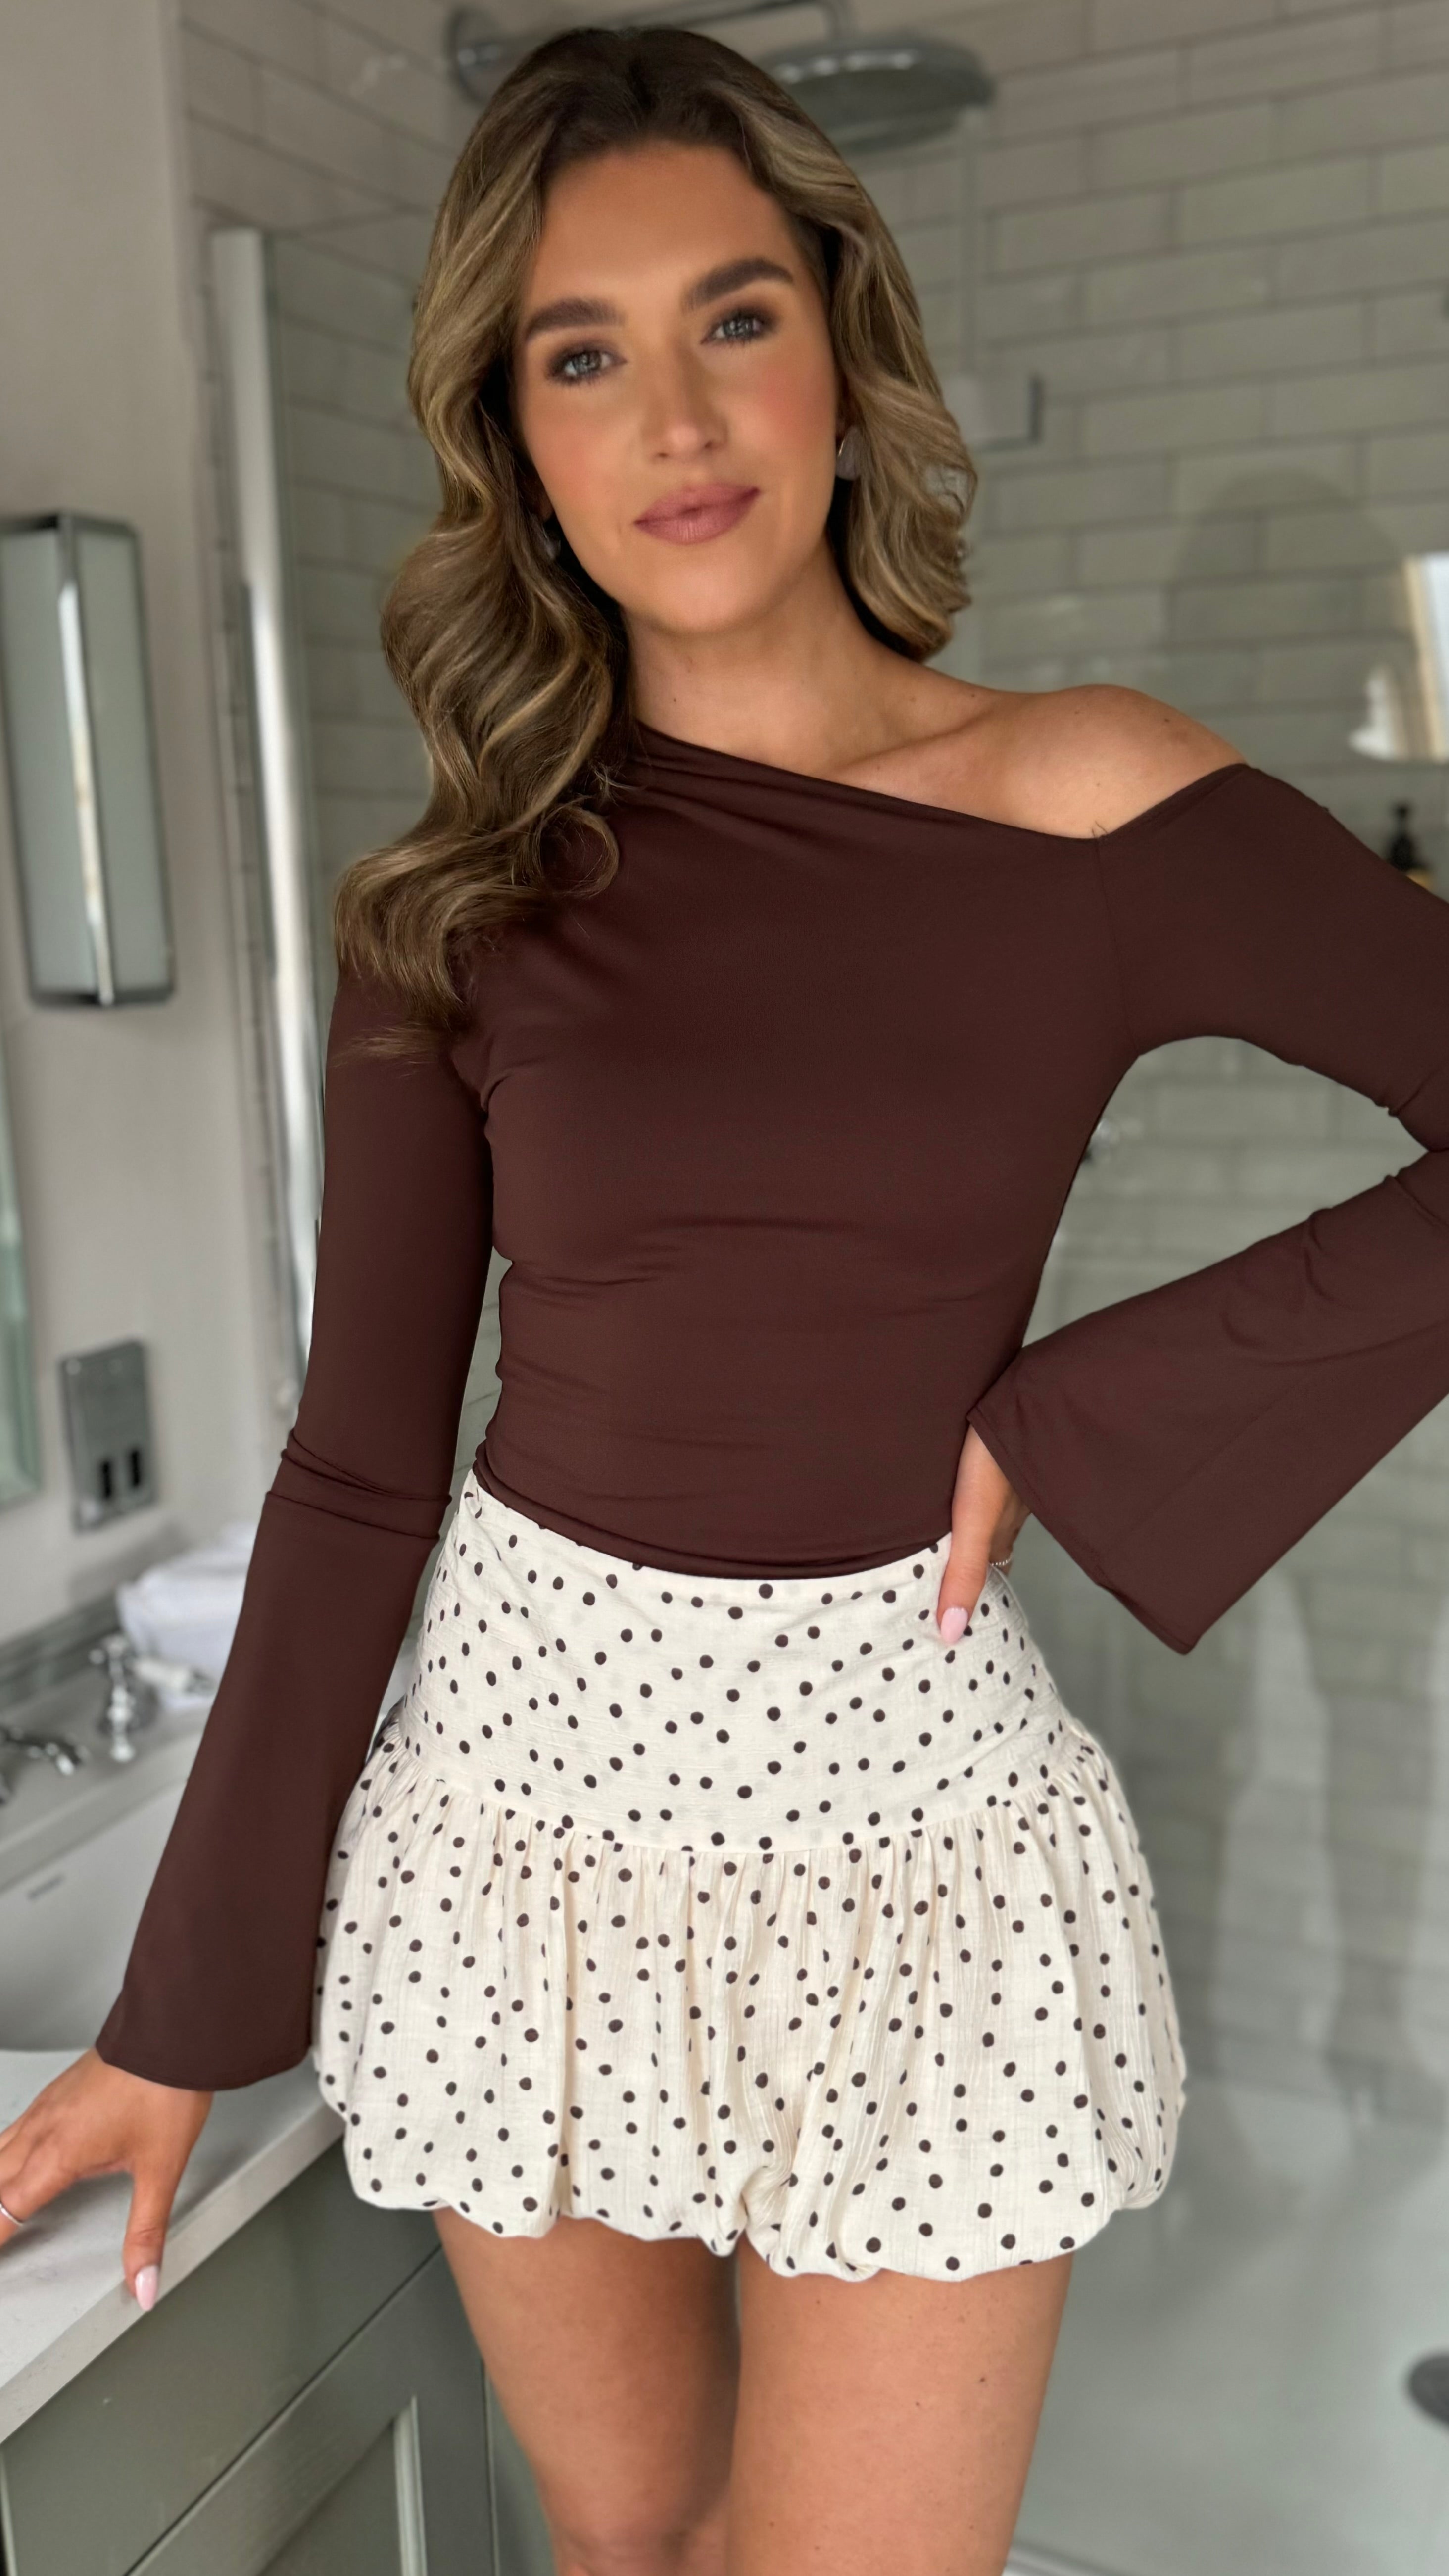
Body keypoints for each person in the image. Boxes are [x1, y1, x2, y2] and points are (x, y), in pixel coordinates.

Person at [3, 27, 1448, 2575]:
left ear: (844, 351)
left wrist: (1088, 1414)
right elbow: (359, 1468)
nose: (672, 416)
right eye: (582, 355)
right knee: (632, 2544)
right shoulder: (453, 905)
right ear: (517, 440)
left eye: (734, 318)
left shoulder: (1091, 801)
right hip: (523, 1823)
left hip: (915, 1839)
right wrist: (170, 2019)